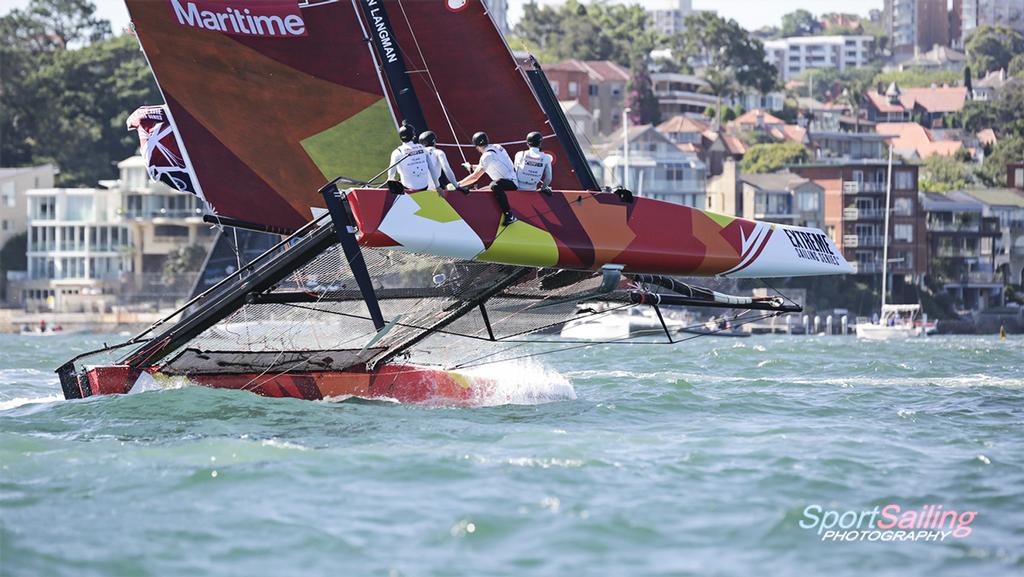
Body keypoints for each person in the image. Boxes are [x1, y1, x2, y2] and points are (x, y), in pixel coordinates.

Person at [458, 131, 519, 226]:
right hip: (510, 181)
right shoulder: (497, 147)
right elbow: (494, 164)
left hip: (509, 184)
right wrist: (470, 167)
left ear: (476, 146)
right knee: (478, 191)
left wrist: (457, 184)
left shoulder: (486, 156)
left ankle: (509, 215)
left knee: (494, 185)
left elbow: (475, 177)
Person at [387, 123, 439, 194]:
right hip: (424, 188)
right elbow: (432, 169)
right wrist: (437, 186)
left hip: (408, 190)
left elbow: (391, 173)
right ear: (413, 136)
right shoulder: (423, 149)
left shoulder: (397, 152)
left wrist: (390, 180)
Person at [514, 131, 553, 196]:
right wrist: (543, 188)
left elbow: (515, 171)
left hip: (517, 189)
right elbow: (548, 178)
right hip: (532, 191)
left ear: (527, 143)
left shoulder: (519, 154)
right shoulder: (546, 158)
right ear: (540, 143)